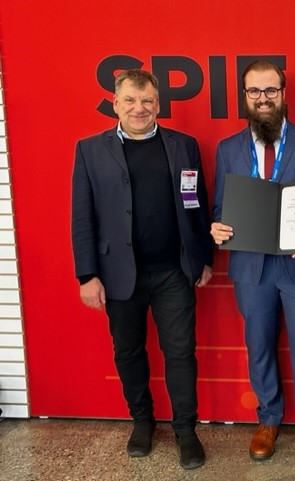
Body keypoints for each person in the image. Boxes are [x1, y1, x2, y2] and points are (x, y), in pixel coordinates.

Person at [71, 69, 213, 470]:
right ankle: (142, 422)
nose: (140, 108)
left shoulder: (184, 146)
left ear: (158, 104)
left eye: (147, 100)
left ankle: (186, 430)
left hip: (173, 271)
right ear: (115, 104)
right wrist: (87, 274)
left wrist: (203, 258)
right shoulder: (90, 150)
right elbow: (82, 217)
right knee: (129, 352)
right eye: (130, 100)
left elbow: (196, 202)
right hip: (119, 275)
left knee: (181, 353)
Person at [210, 60, 295, 467]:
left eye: (271, 91)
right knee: (259, 346)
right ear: (245, 97)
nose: (263, 98)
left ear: (284, 94)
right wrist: (217, 227)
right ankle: (268, 419)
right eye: (255, 92)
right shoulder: (228, 149)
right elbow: (219, 204)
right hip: (251, 267)